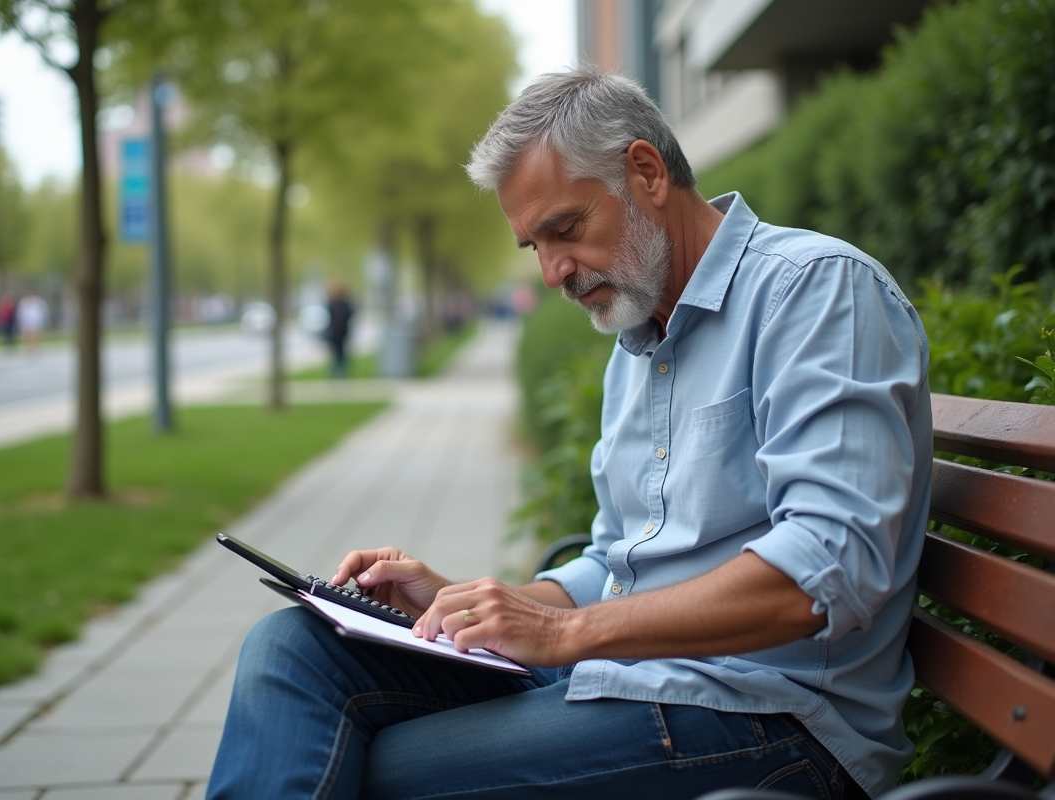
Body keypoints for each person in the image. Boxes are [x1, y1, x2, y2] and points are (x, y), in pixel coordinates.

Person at [206, 69, 931, 800]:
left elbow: (827, 571)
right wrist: (468, 602)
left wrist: (561, 637)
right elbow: (616, 565)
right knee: (293, 647)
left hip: (773, 719)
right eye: (533, 247)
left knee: (380, 773)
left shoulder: (815, 292)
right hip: (634, 680)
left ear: (645, 173)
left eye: (565, 230)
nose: (553, 271)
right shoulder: (638, 341)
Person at [324, 280, 355, 378]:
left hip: (335, 333)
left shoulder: (332, 305)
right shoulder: (345, 305)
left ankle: (336, 375)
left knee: (337, 355)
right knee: (341, 354)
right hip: (342, 333)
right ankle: (341, 374)